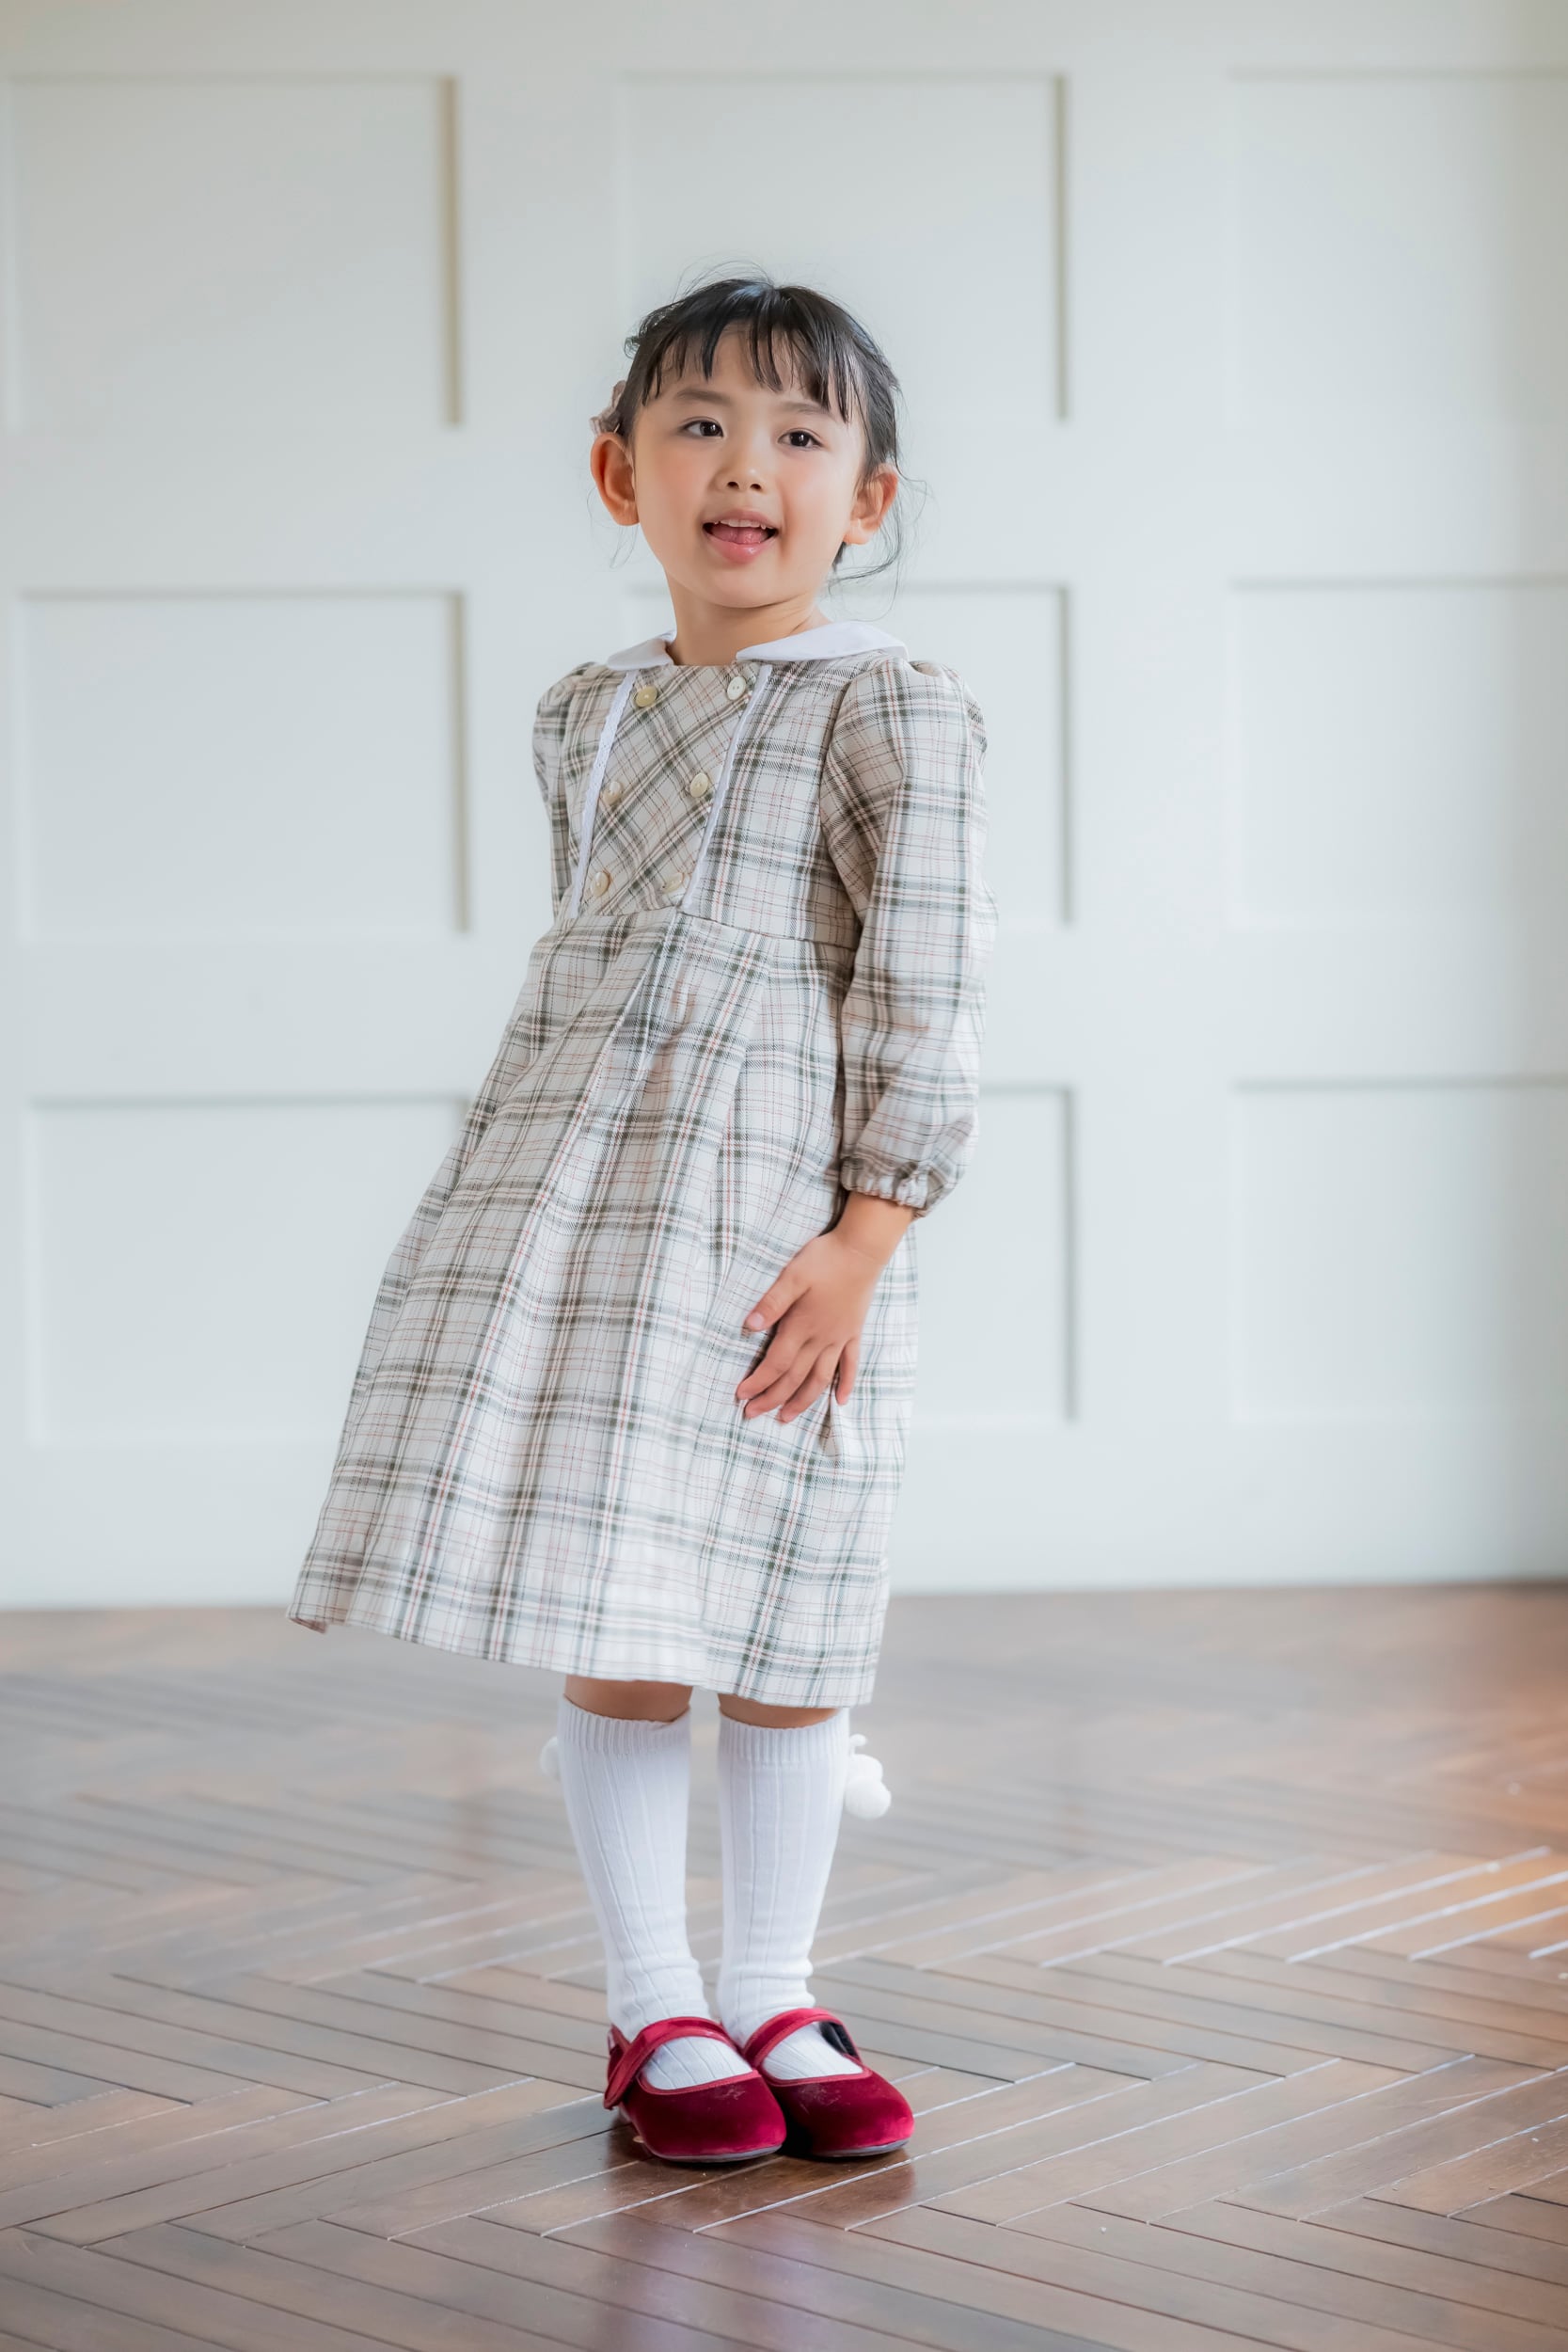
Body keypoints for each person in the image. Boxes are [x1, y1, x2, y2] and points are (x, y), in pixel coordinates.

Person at [287, 274, 999, 2167]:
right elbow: (598, 963)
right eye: (699, 426)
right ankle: (653, 1999)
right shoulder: (585, 715)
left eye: (797, 435)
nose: (744, 467)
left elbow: (923, 987)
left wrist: (866, 1238)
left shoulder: (894, 708)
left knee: (789, 1607)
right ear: (621, 476)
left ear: (867, 499)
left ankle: (777, 1981)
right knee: (623, 1592)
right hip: (595, 1217)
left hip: (792, 1240)